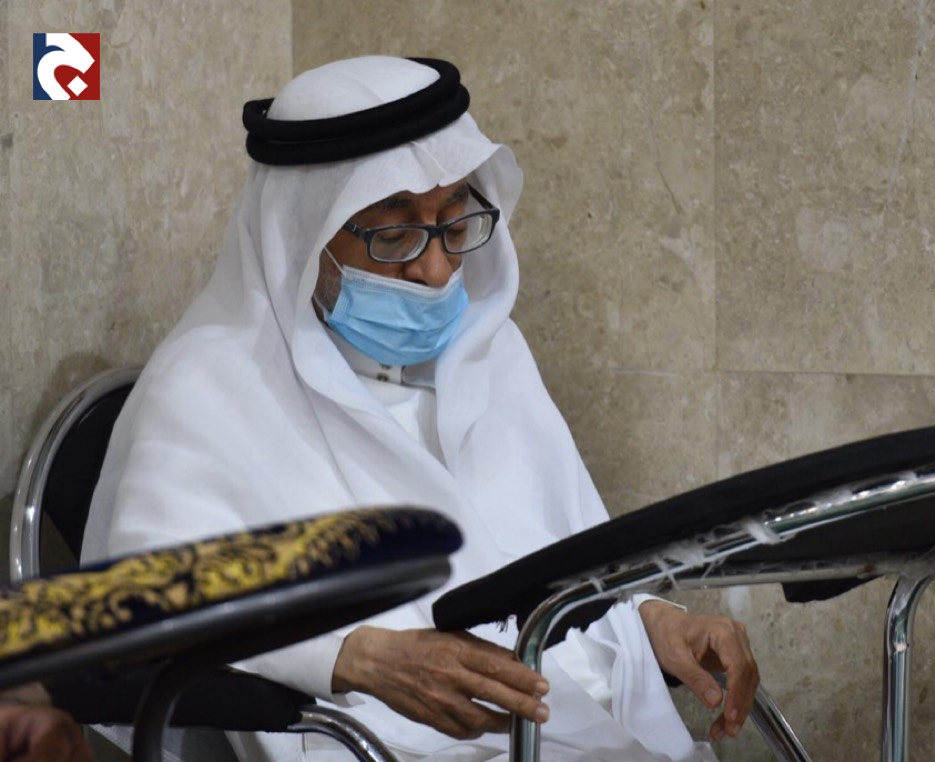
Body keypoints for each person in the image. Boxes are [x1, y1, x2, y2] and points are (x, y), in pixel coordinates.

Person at [82, 56, 759, 762]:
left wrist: (652, 619)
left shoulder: (488, 350)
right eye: (394, 235)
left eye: (453, 223)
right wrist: (354, 656)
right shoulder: (210, 388)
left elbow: (553, 549)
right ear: (303, 237)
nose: (435, 271)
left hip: (575, 729)